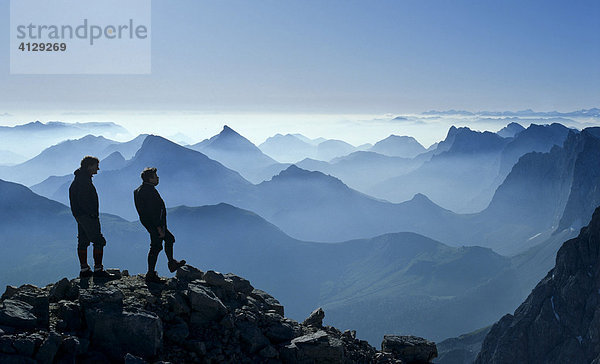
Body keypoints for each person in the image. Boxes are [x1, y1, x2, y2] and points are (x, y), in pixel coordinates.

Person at [134, 167, 186, 283]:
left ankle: (169, 264)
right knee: (157, 246)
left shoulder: (139, 190)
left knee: (166, 241)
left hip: (150, 224)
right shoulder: (149, 191)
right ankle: (151, 273)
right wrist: (159, 228)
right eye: (155, 177)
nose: (158, 178)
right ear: (150, 179)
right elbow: (153, 211)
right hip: (156, 224)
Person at [69, 156, 115, 279]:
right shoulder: (84, 181)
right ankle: (98, 269)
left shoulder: (80, 179)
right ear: (89, 166)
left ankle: (84, 269)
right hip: (87, 216)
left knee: (83, 241)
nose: (98, 168)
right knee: (98, 240)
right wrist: (92, 214)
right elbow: (84, 200)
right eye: (96, 166)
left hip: (80, 215)